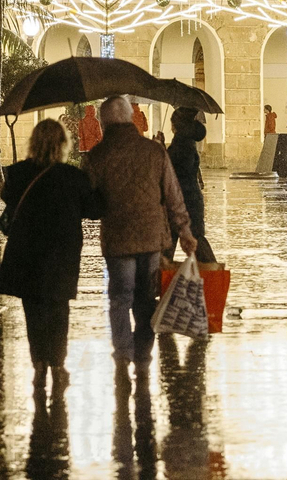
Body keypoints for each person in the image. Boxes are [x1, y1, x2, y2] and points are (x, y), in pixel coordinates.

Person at [82, 96, 196, 371]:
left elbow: (87, 201)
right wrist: (184, 229)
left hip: (118, 239)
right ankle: (143, 353)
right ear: (130, 118)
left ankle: (123, 351)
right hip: (151, 237)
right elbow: (173, 194)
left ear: (103, 121)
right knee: (146, 298)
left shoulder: (96, 156)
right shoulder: (154, 151)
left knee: (120, 297)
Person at [0, 119, 99, 397]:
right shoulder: (72, 176)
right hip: (61, 255)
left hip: (27, 252)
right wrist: (90, 178)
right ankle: (57, 365)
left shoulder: (17, 173)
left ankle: (39, 364)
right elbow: (93, 209)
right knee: (58, 310)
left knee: (33, 311)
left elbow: (8, 197)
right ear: (63, 144)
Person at [166, 108, 215, 263]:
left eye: (172, 123)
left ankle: (211, 275)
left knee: (192, 240)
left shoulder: (182, 144)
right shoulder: (183, 142)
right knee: (192, 239)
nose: (171, 127)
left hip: (184, 199)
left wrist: (162, 152)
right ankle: (211, 273)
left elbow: (177, 170)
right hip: (187, 198)